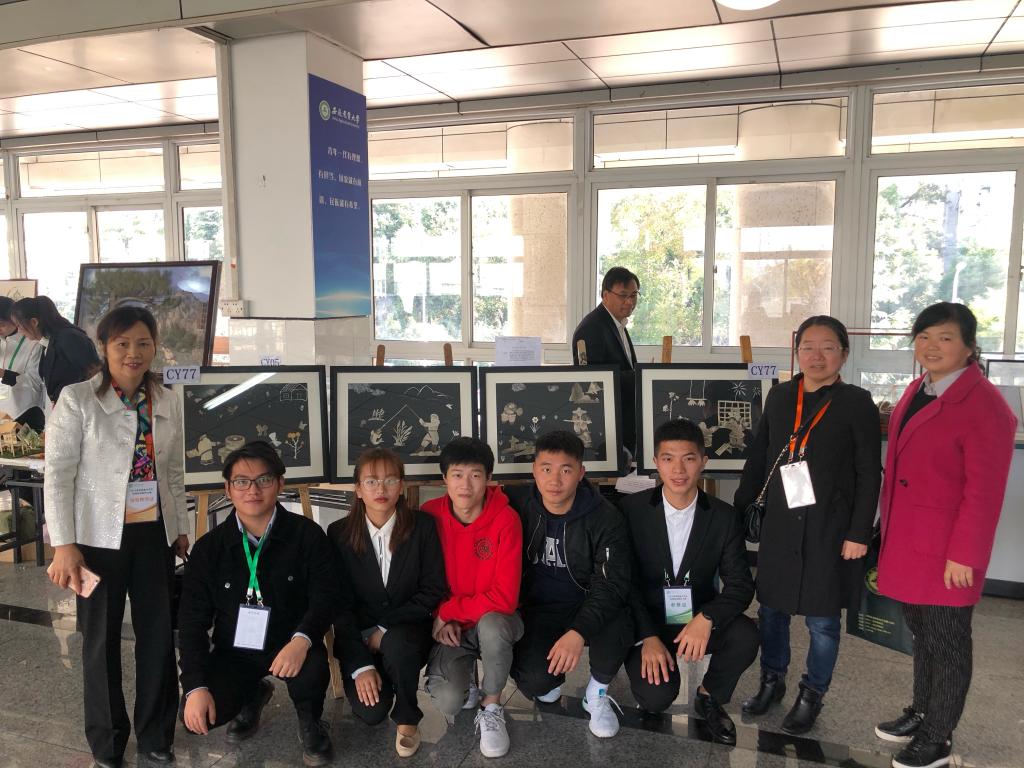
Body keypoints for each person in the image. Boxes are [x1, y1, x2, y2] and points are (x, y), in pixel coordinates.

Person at [44, 306, 189, 768]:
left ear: (155, 347)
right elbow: (58, 475)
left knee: (157, 635)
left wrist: (180, 528)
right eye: (122, 343)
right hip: (95, 539)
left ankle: (156, 735)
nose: (133, 353)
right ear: (104, 347)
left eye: (143, 343)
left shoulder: (167, 400)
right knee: (99, 640)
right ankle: (107, 741)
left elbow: (173, 471)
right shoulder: (77, 400)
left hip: (153, 533)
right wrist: (63, 544)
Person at [875, 303, 1015, 768]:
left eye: (945, 338)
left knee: (949, 642)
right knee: (923, 634)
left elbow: (984, 493)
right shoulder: (919, 388)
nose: (931, 346)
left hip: (948, 550)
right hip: (910, 539)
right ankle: (922, 711)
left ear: (970, 346)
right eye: (923, 337)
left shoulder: (985, 406)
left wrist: (965, 555)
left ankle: (938, 737)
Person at [734, 315, 881, 735]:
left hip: (829, 529)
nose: (817, 356)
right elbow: (760, 457)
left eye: (828, 347)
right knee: (772, 612)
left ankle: (812, 693)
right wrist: (740, 512)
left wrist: (858, 533)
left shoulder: (857, 402)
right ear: (797, 352)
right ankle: (772, 680)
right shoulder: (781, 396)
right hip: (781, 524)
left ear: (844, 354)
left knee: (823, 622)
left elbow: (869, 473)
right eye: (808, 347)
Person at [178, 440, 338, 767]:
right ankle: (252, 694)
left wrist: (302, 640)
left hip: (290, 643)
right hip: (234, 650)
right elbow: (192, 622)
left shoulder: (307, 535)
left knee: (312, 668)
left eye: (263, 480)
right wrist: (195, 686)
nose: (252, 490)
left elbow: (327, 596)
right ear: (228, 488)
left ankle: (310, 719)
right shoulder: (209, 549)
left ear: (279, 483)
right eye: (241, 482)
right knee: (196, 717)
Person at [620, 418, 758, 745]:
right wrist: (647, 636)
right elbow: (622, 583)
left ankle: (709, 696)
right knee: (655, 698)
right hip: (649, 622)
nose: (678, 469)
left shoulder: (724, 517)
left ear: (703, 462)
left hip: (697, 618)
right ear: (656, 462)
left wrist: (708, 617)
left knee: (746, 634)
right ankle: (650, 663)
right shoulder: (630, 511)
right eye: (668, 459)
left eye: (689, 458)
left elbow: (741, 585)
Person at [505, 430, 633, 739]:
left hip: (587, 601)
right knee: (536, 682)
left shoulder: (605, 517)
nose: (555, 480)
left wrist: (578, 631)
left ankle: (597, 693)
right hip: (539, 608)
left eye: (566, 470)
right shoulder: (518, 504)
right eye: (546, 468)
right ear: (534, 470)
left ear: (581, 473)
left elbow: (610, 586)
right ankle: (548, 679)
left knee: (620, 616)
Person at [327, 448, 447, 758]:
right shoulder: (338, 533)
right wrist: (360, 664)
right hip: (359, 641)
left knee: (398, 642)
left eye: (390, 480)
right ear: (358, 489)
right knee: (372, 713)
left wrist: (383, 628)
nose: (381, 489)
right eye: (371, 481)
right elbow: (339, 604)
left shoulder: (422, 526)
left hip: (408, 633)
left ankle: (408, 718)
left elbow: (433, 589)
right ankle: (385, 678)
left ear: (402, 485)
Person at [422, 437, 523, 758]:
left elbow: (504, 599)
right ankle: (465, 680)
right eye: (457, 475)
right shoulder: (429, 516)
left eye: (476, 475)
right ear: (444, 478)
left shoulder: (506, 520)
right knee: (450, 699)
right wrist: (441, 614)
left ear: (489, 478)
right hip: (452, 626)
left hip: (496, 620)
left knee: (492, 624)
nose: (465, 485)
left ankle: (491, 706)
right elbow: (420, 580)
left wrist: (449, 610)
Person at [572, 266, 640, 454]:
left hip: (623, 421)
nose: (629, 301)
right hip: (607, 426)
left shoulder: (617, 324)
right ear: (605, 295)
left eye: (634, 295)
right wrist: (640, 376)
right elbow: (593, 380)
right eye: (623, 295)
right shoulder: (593, 328)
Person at [12, 295, 99, 406]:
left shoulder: (69, 338)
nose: (19, 331)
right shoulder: (47, 341)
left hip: (79, 406)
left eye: (19, 326)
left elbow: (93, 374)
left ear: (34, 322)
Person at [0, 296, 46, 430]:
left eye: (1, 324)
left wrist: (4, 374)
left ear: (14, 321)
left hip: (24, 412)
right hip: (2, 412)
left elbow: (35, 382)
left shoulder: (33, 343)